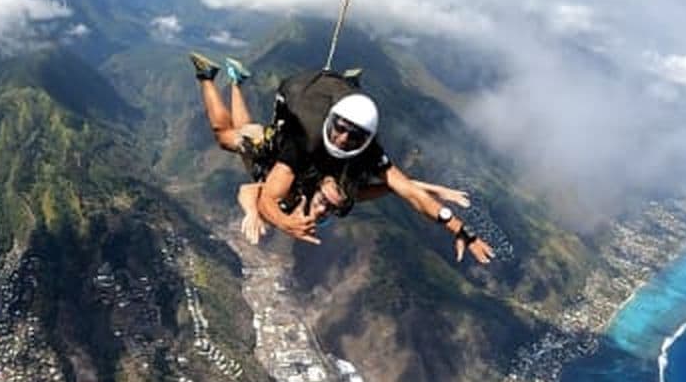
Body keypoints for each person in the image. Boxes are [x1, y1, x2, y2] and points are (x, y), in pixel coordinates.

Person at [190, 53, 485, 261]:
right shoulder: (308, 146)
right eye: (340, 129)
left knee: (239, 132)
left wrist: (456, 224)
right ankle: (207, 76)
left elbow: (402, 189)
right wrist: (280, 222)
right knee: (225, 136)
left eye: (324, 206)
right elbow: (401, 189)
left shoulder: (330, 177)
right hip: (282, 142)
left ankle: (232, 81)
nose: (342, 139)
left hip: (269, 158)